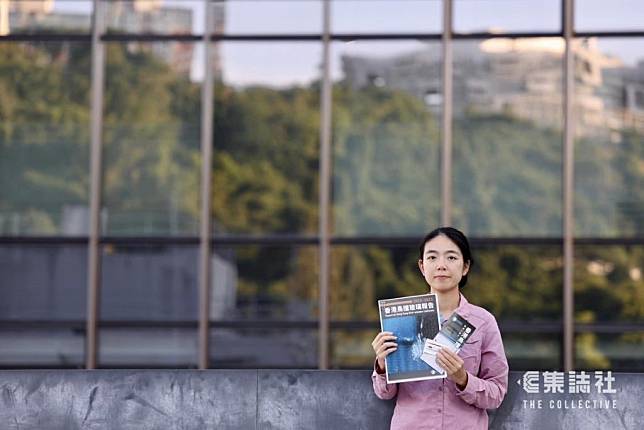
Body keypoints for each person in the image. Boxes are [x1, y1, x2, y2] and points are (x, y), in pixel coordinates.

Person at [371, 227, 508, 430]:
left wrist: (463, 379)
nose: (441, 265)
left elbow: (496, 394)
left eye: (451, 258)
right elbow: (384, 393)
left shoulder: (483, 322)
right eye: (432, 257)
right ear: (422, 266)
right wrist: (382, 364)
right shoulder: (400, 319)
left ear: (465, 267)